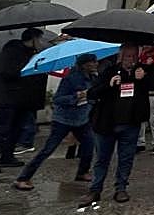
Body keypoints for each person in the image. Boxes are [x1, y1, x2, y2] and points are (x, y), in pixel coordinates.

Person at [78, 44, 154, 206]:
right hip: (107, 123)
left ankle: (121, 188)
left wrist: (145, 77)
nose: (131, 60)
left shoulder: (142, 71)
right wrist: (108, 85)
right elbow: (92, 93)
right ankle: (95, 190)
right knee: (102, 159)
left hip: (130, 123)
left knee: (126, 158)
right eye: (128, 56)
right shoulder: (109, 71)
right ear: (121, 57)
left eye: (134, 56)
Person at [13, 53, 98, 190]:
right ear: (84, 65)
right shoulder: (70, 79)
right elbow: (58, 99)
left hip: (82, 119)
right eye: (92, 62)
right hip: (63, 120)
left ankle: (83, 172)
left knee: (89, 145)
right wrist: (76, 97)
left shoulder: (94, 78)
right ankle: (23, 178)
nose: (95, 64)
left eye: (95, 61)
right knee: (48, 149)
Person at [0, 28, 47, 175]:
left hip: (24, 99)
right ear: (33, 39)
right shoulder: (12, 51)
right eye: (39, 39)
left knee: (16, 129)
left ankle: (7, 156)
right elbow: (8, 73)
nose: (41, 42)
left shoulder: (31, 53)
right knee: (2, 129)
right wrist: (29, 64)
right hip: (8, 99)